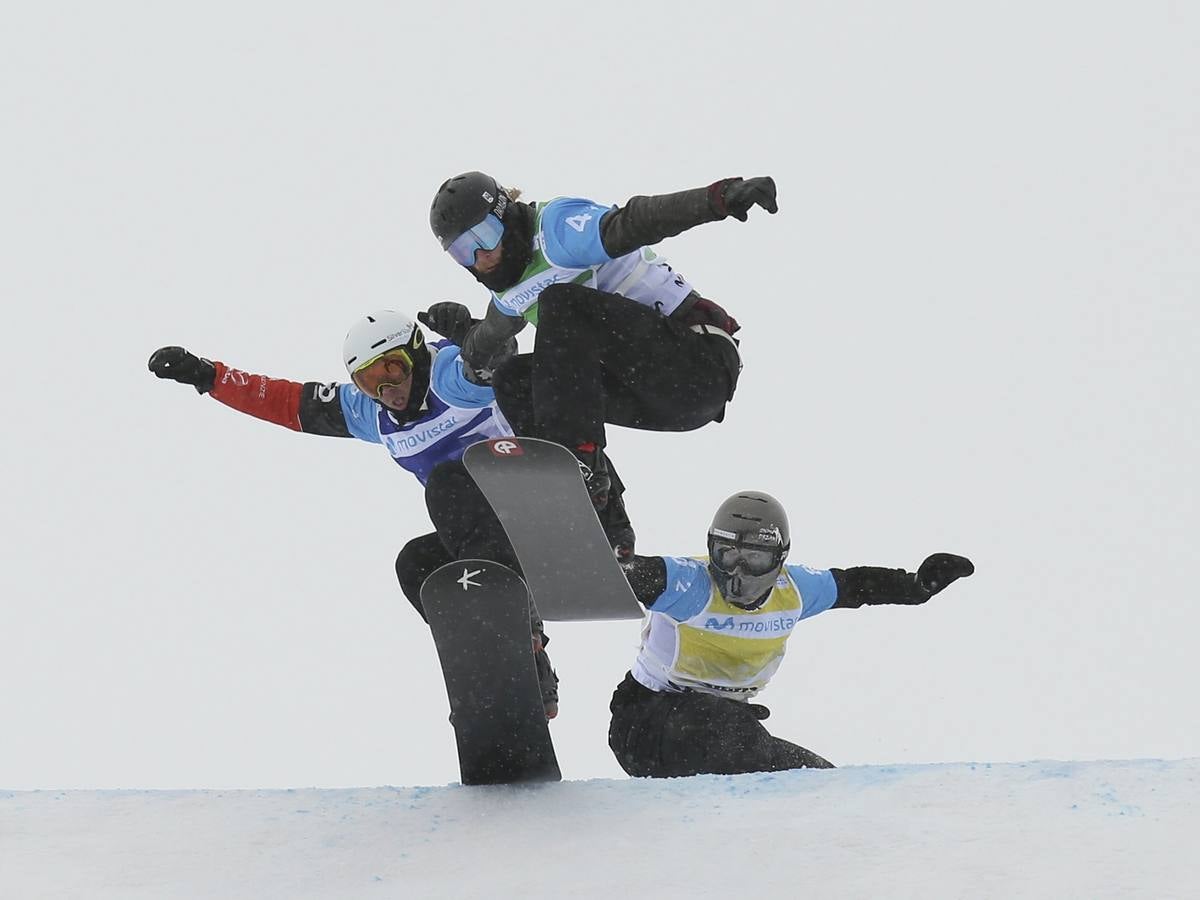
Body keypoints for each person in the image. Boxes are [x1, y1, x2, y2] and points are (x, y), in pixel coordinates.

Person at [147, 310, 566, 717]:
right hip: (494, 541)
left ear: (417, 353)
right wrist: (209, 376)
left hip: (537, 501)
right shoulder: (372, 414)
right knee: (419, 566)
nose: (387, 389)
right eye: (370, 381)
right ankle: (507, 669)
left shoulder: (453, 373)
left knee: (448, 483)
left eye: (393, 368)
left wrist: (470, 329)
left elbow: (502, 350)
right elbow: (283, 400)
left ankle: (517, 622)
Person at [423, 170, 777, 511]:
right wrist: (461, 332)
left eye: (483, 235)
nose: (480, 257)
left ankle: (576, 461)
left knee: (559, 304)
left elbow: (636, 221)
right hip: (651, 395)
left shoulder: (556, 229)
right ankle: (606, 522)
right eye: (463, 251)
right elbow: (486, 342)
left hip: (698, 367)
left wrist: (719, 198)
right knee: (513, 380)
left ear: (505, 214)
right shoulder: (508, 294)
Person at [608, 491, 974, 777]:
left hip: (717, 729)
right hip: (644, 724)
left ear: (779, 558)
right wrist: (603, 557)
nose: (738, 570)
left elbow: (855, 585)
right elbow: (627, 574)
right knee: (732, 734)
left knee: (814, 779)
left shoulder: (794, 590)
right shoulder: (688, 583)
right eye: (726, 554)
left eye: (754, 559)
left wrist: (914, 587)